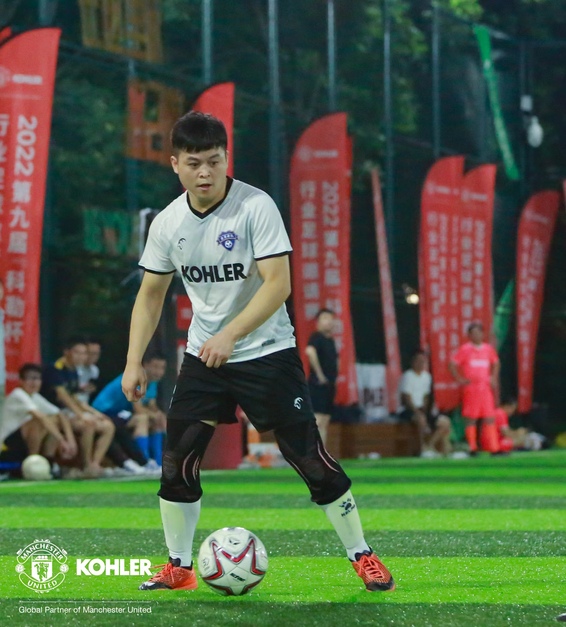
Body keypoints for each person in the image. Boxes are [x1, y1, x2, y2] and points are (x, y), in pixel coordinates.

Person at [121, 111, 395, 593]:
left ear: (226, 158)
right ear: (175, 164)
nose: (205, 173)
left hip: (268, 352)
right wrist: (132, 361)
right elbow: (150, 295)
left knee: (308, 459)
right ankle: (179, 567)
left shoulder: (255, 206)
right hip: (205, 358)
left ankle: (362, 554)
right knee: (177, 461)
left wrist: (231, 334)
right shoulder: (167, 223)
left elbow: (278, 285)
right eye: (194, 163)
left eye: (214, 161)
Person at [41, 337, 115, 477]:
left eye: (84, 353)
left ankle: (95, 464)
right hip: (56, 412)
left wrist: (94, 412)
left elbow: (75, 398)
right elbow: (63, 396)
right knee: (88, 425)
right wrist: (81, 415)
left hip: (70, 412)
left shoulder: (74, 370)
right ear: (67, 352)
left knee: (108, 426)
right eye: (77, 352)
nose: (82, 357)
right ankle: (86, 465)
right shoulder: (55, 368)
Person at [93, 353, 167, 472]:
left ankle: (158, 463)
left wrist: (159, 416)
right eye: (155, 367)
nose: (158, 371)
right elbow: (138, 409)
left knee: (156, 422)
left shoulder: (153, 382)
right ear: (145, 365)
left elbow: (152, 406)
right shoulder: (134, 379)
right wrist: (155, 415)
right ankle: (144, 462)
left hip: (121, 414)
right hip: (104, 413)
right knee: (142, 419)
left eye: (162, 368)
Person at [0, 364, 78, 470]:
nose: (34, 382)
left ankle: (49, 462)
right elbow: (40, 417)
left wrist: (70, 440)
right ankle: (32, 462)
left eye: (37, 379)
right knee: (39, 422)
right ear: (21, 381)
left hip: (23, 442)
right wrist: (62, 440)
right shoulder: (18, 394)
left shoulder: (35, 397)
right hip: (7, 444)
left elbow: (60, 414)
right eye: (30, 378)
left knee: (55, 420)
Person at [449, 322, 500, 456]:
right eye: (473, 333)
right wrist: (460, 379)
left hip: (485, 388)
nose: (476, 335)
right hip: (471, 388)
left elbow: (496, 363)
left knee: (489, 417)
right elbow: (452, 364)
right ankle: (472, 447)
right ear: (469, 335)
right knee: (471, 418)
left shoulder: (488, 349)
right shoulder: (465, 349)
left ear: (482, 334)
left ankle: (493, 448)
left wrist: (493, 378)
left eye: (478, 332)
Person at [397, 350, 452, 457]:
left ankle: (430, 445)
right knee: (421, 419)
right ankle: (422, 448)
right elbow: (406, 398)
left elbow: (426, 396)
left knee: (445, 422)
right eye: (418, 361)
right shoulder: (408, 376)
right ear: (413, 362)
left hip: (422, 409)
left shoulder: (427, 377)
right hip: (408, 410)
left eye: (423, 361)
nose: (421, 364)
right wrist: (417, 412)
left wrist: (425, 410)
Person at [305, 309, 338, 446]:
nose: (329, 321)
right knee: (317, 420)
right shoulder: (316, 337)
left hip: (329, 385)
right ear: (318, 322)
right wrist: (320, 375)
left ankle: (321, 451)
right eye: (325, 318)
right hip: (317, 384)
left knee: (325, 420)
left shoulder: (331, 340)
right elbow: (309, 351)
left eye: (330, 318)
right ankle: (313, 451)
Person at [76, 339, 101, 404]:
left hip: (85, 403)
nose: (93, 357)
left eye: (96, 354)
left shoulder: (95, 370)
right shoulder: (74, 367)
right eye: (90, 353)